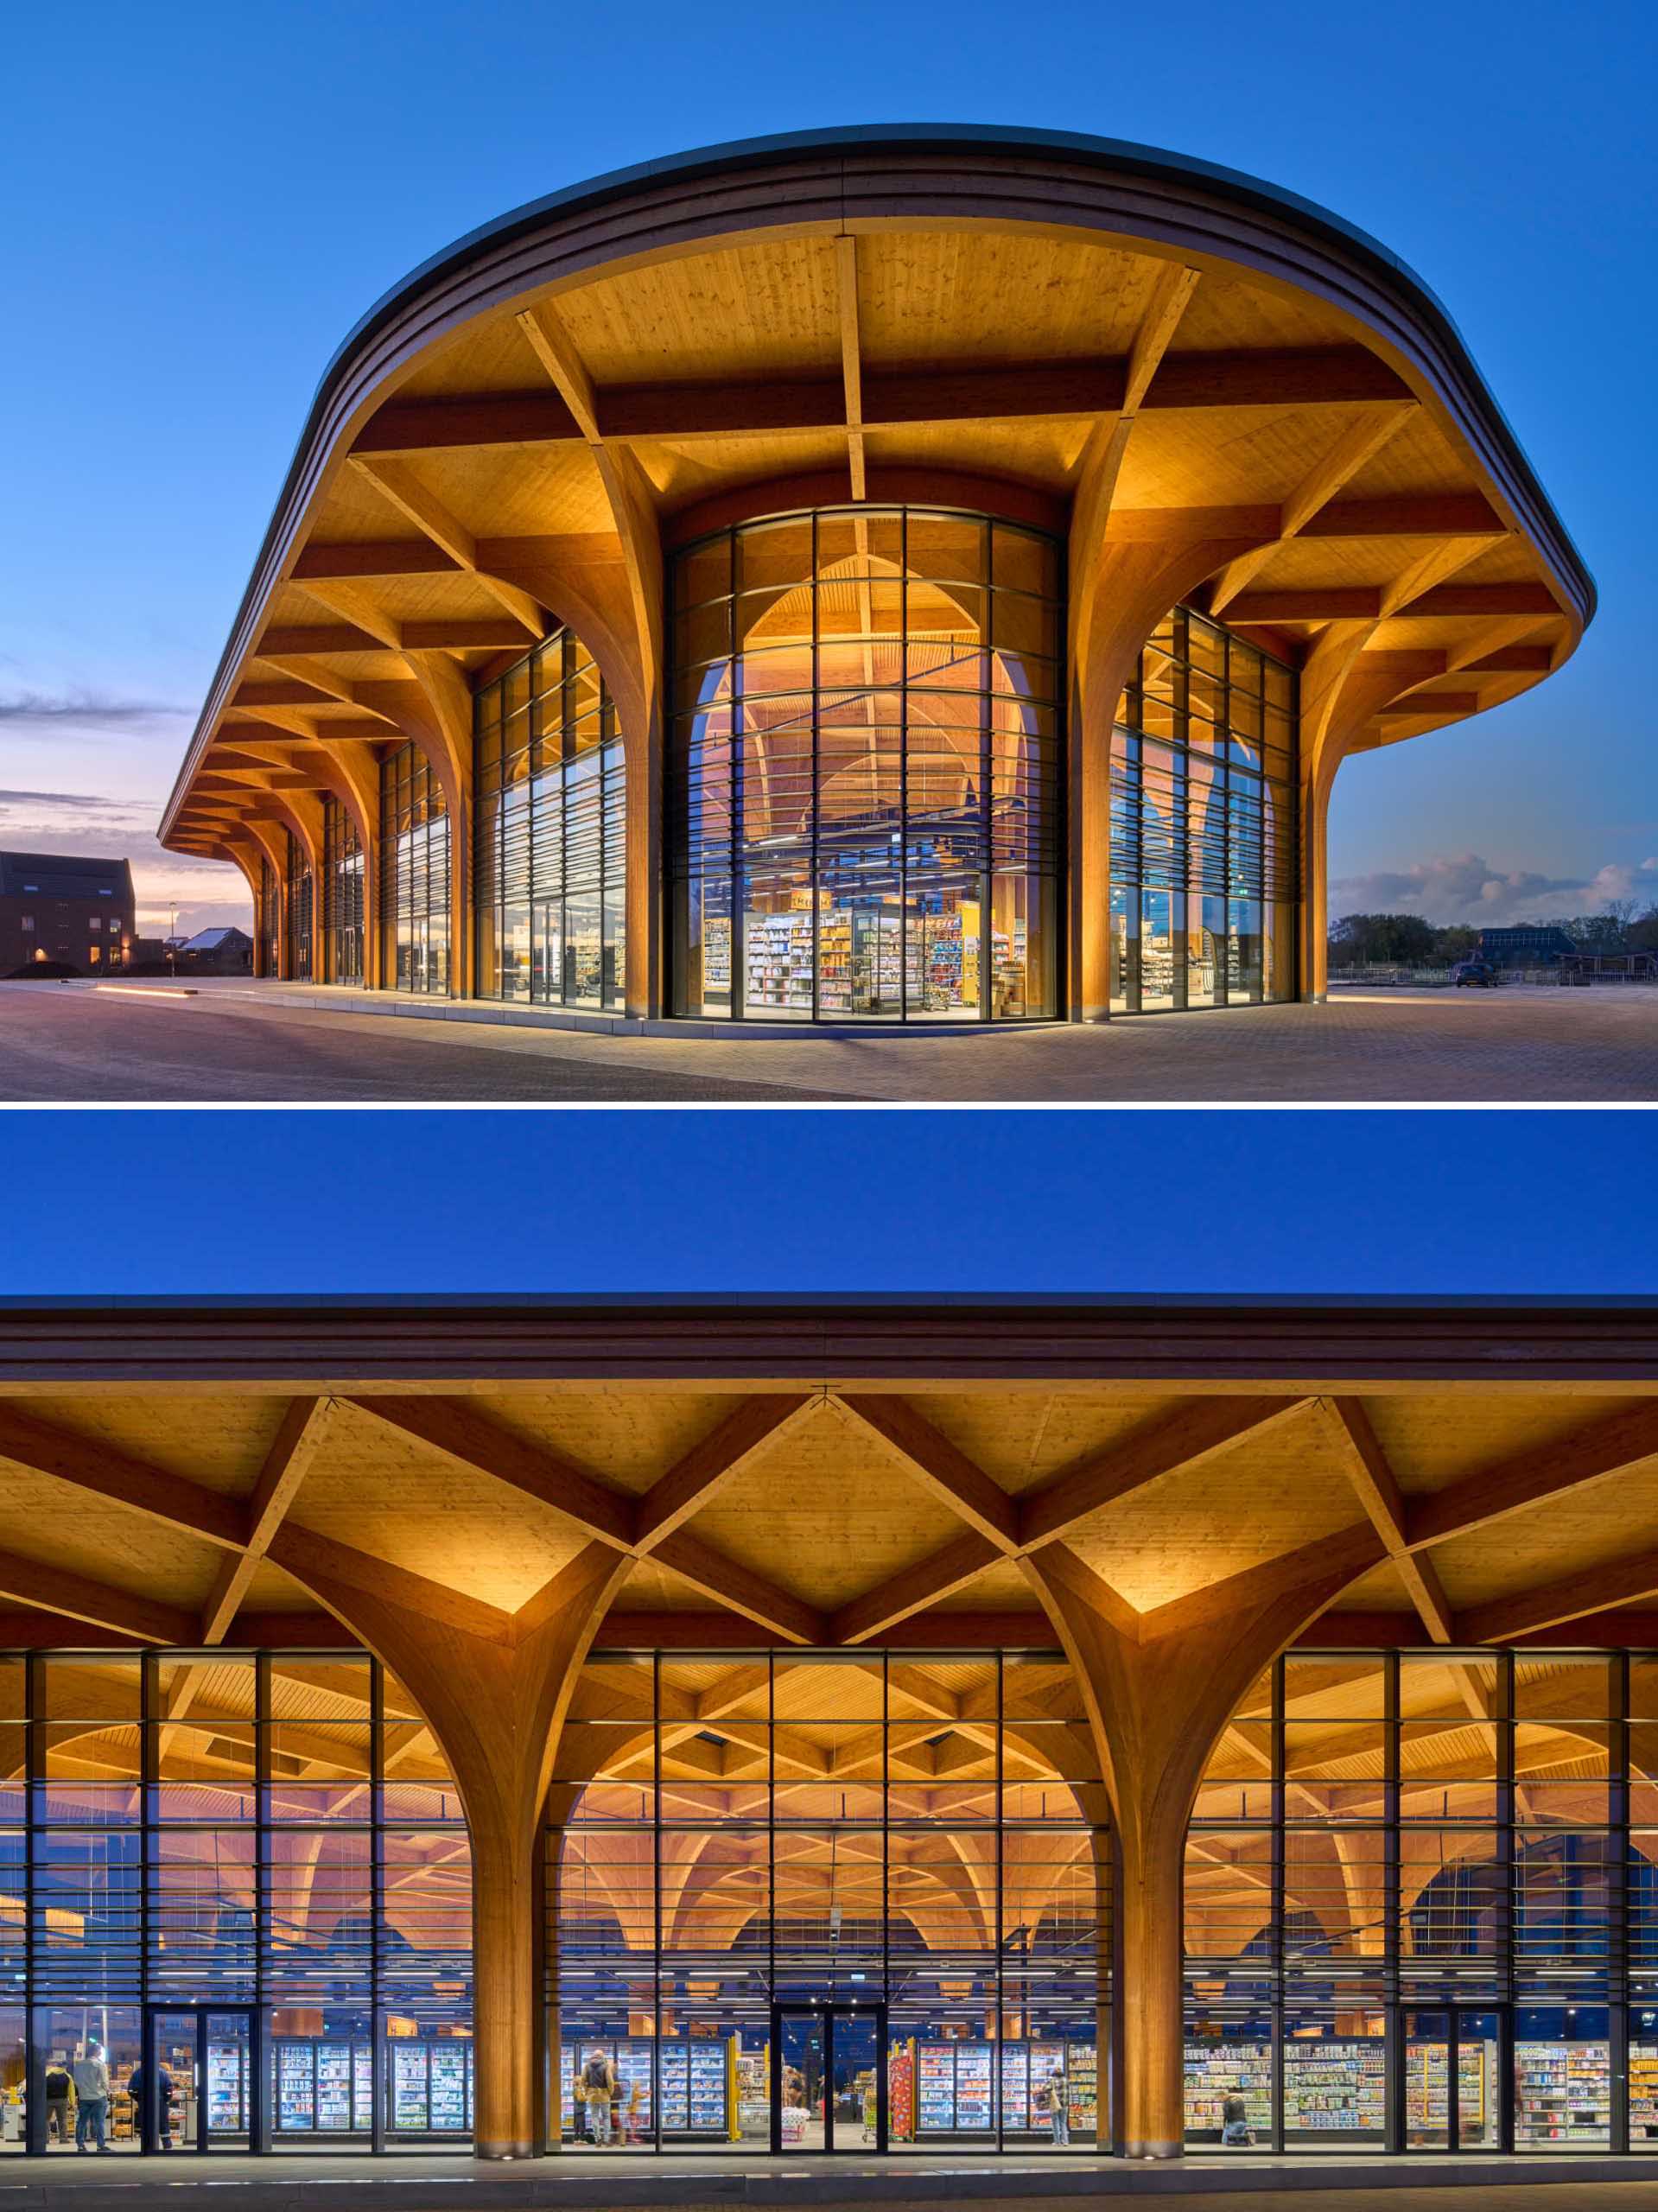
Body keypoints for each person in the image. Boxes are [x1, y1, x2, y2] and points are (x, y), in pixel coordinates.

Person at [126, 2062, 176, 2150]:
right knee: (163, 2123)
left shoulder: (137, 2073)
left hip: (144, 2102)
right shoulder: (163, 2073)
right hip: (161, 2102)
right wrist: (166, 2099)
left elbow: (131, 2090)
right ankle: (167, 2144)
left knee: (145, 2123)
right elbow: (169, 2089)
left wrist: (138, 2098)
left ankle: (147, 2146)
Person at [72, 2043, 111, 2153]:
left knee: (81, 2122)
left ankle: (80, 2145)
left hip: (84, 2097)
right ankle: (100, 2146)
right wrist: (107, 2091)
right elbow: (104, 2082)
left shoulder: (79, 2065)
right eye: (100, 2051)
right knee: (99, 2122)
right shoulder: (100, 2064)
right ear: (97, 2052)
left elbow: (76, 2081)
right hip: (99, 2097)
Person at [579, 2049, 615, 2146]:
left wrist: (587, 2092)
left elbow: (583, 2080)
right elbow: (610, 2081)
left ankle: (598, 2139)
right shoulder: (606, 2066)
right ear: (602, 2056)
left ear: (593, 2055)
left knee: (595, 2117)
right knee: (606, 2117)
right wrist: (610, 2092)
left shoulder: (587, 2065)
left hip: (592, 2095)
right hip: (604, 2095)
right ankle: (607, 2140)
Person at [44, 2063, 73, 2148]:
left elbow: (42, 2087)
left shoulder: (47, 2074)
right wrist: (72, 2102)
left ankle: (45, 2139)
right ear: (64, 2067)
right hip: (62, 2100)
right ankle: (63, 2139)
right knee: (62, 2119)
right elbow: (71, 2090)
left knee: (46, 2120)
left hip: (48, 2100)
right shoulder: (68, 2076)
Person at [1220, 2083, 1254, 2148]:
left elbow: (1226, 2114)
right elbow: (1243, 2109)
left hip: (1233, 2123)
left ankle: (1227, 2155)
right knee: (1241, 2142)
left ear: (1222, 2096)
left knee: (1225, 2141)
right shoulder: (1239, 2099)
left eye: (1220, 2098)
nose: (1220, 2100)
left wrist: (1225, 2124)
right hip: (1243, 2122)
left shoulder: (1226, 2102)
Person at [1046, 2065, 1068, 2147]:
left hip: (1055, 2104)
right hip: (1065, 2104)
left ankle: (1057, 2142)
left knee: (1055, 2123)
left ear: (1054, 2072)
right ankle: (1065, 2141)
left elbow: (1045, 2088)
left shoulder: (1052, 2080)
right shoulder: (1066, 2079)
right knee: (1063, 2123)